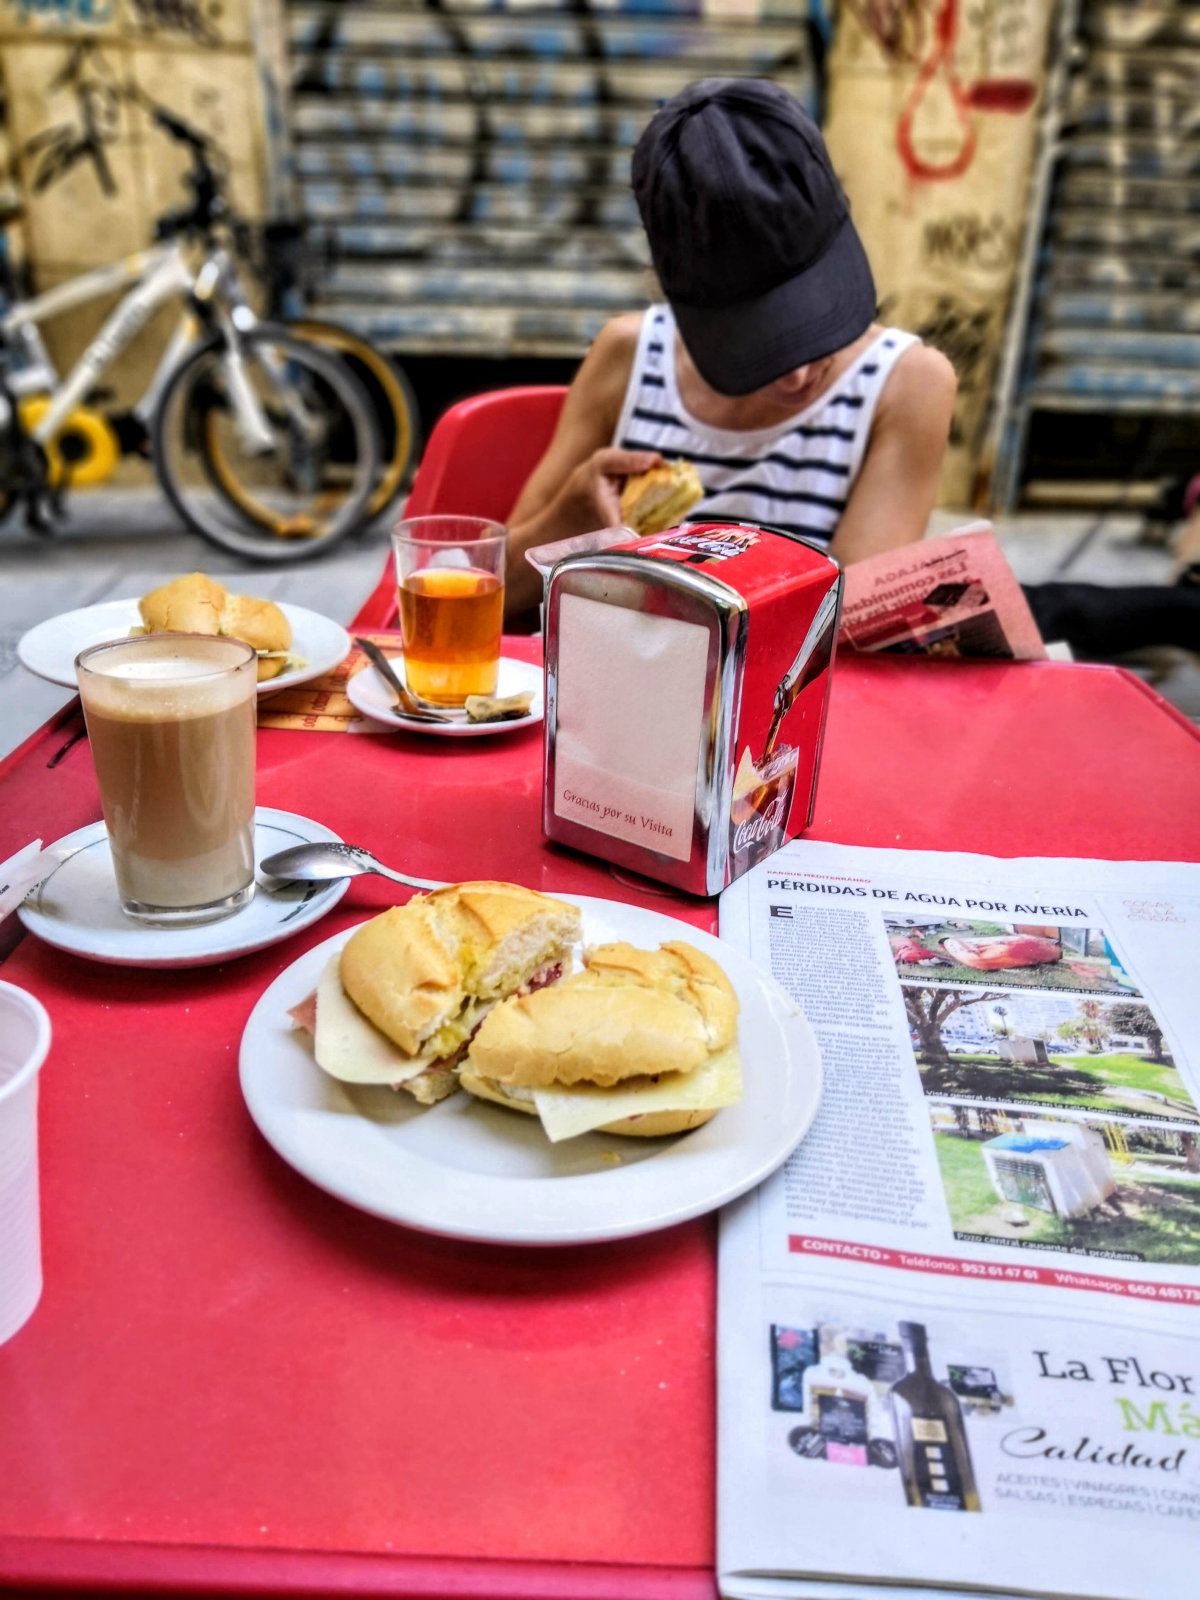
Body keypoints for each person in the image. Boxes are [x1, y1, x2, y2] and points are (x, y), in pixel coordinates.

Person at [502, 78, 957, 617]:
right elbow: (494, 599)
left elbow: (849, 635)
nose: (795, 376)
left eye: (813, 321)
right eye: (755, 343)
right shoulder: (627, 357)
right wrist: (572, 516)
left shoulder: (906, 385)